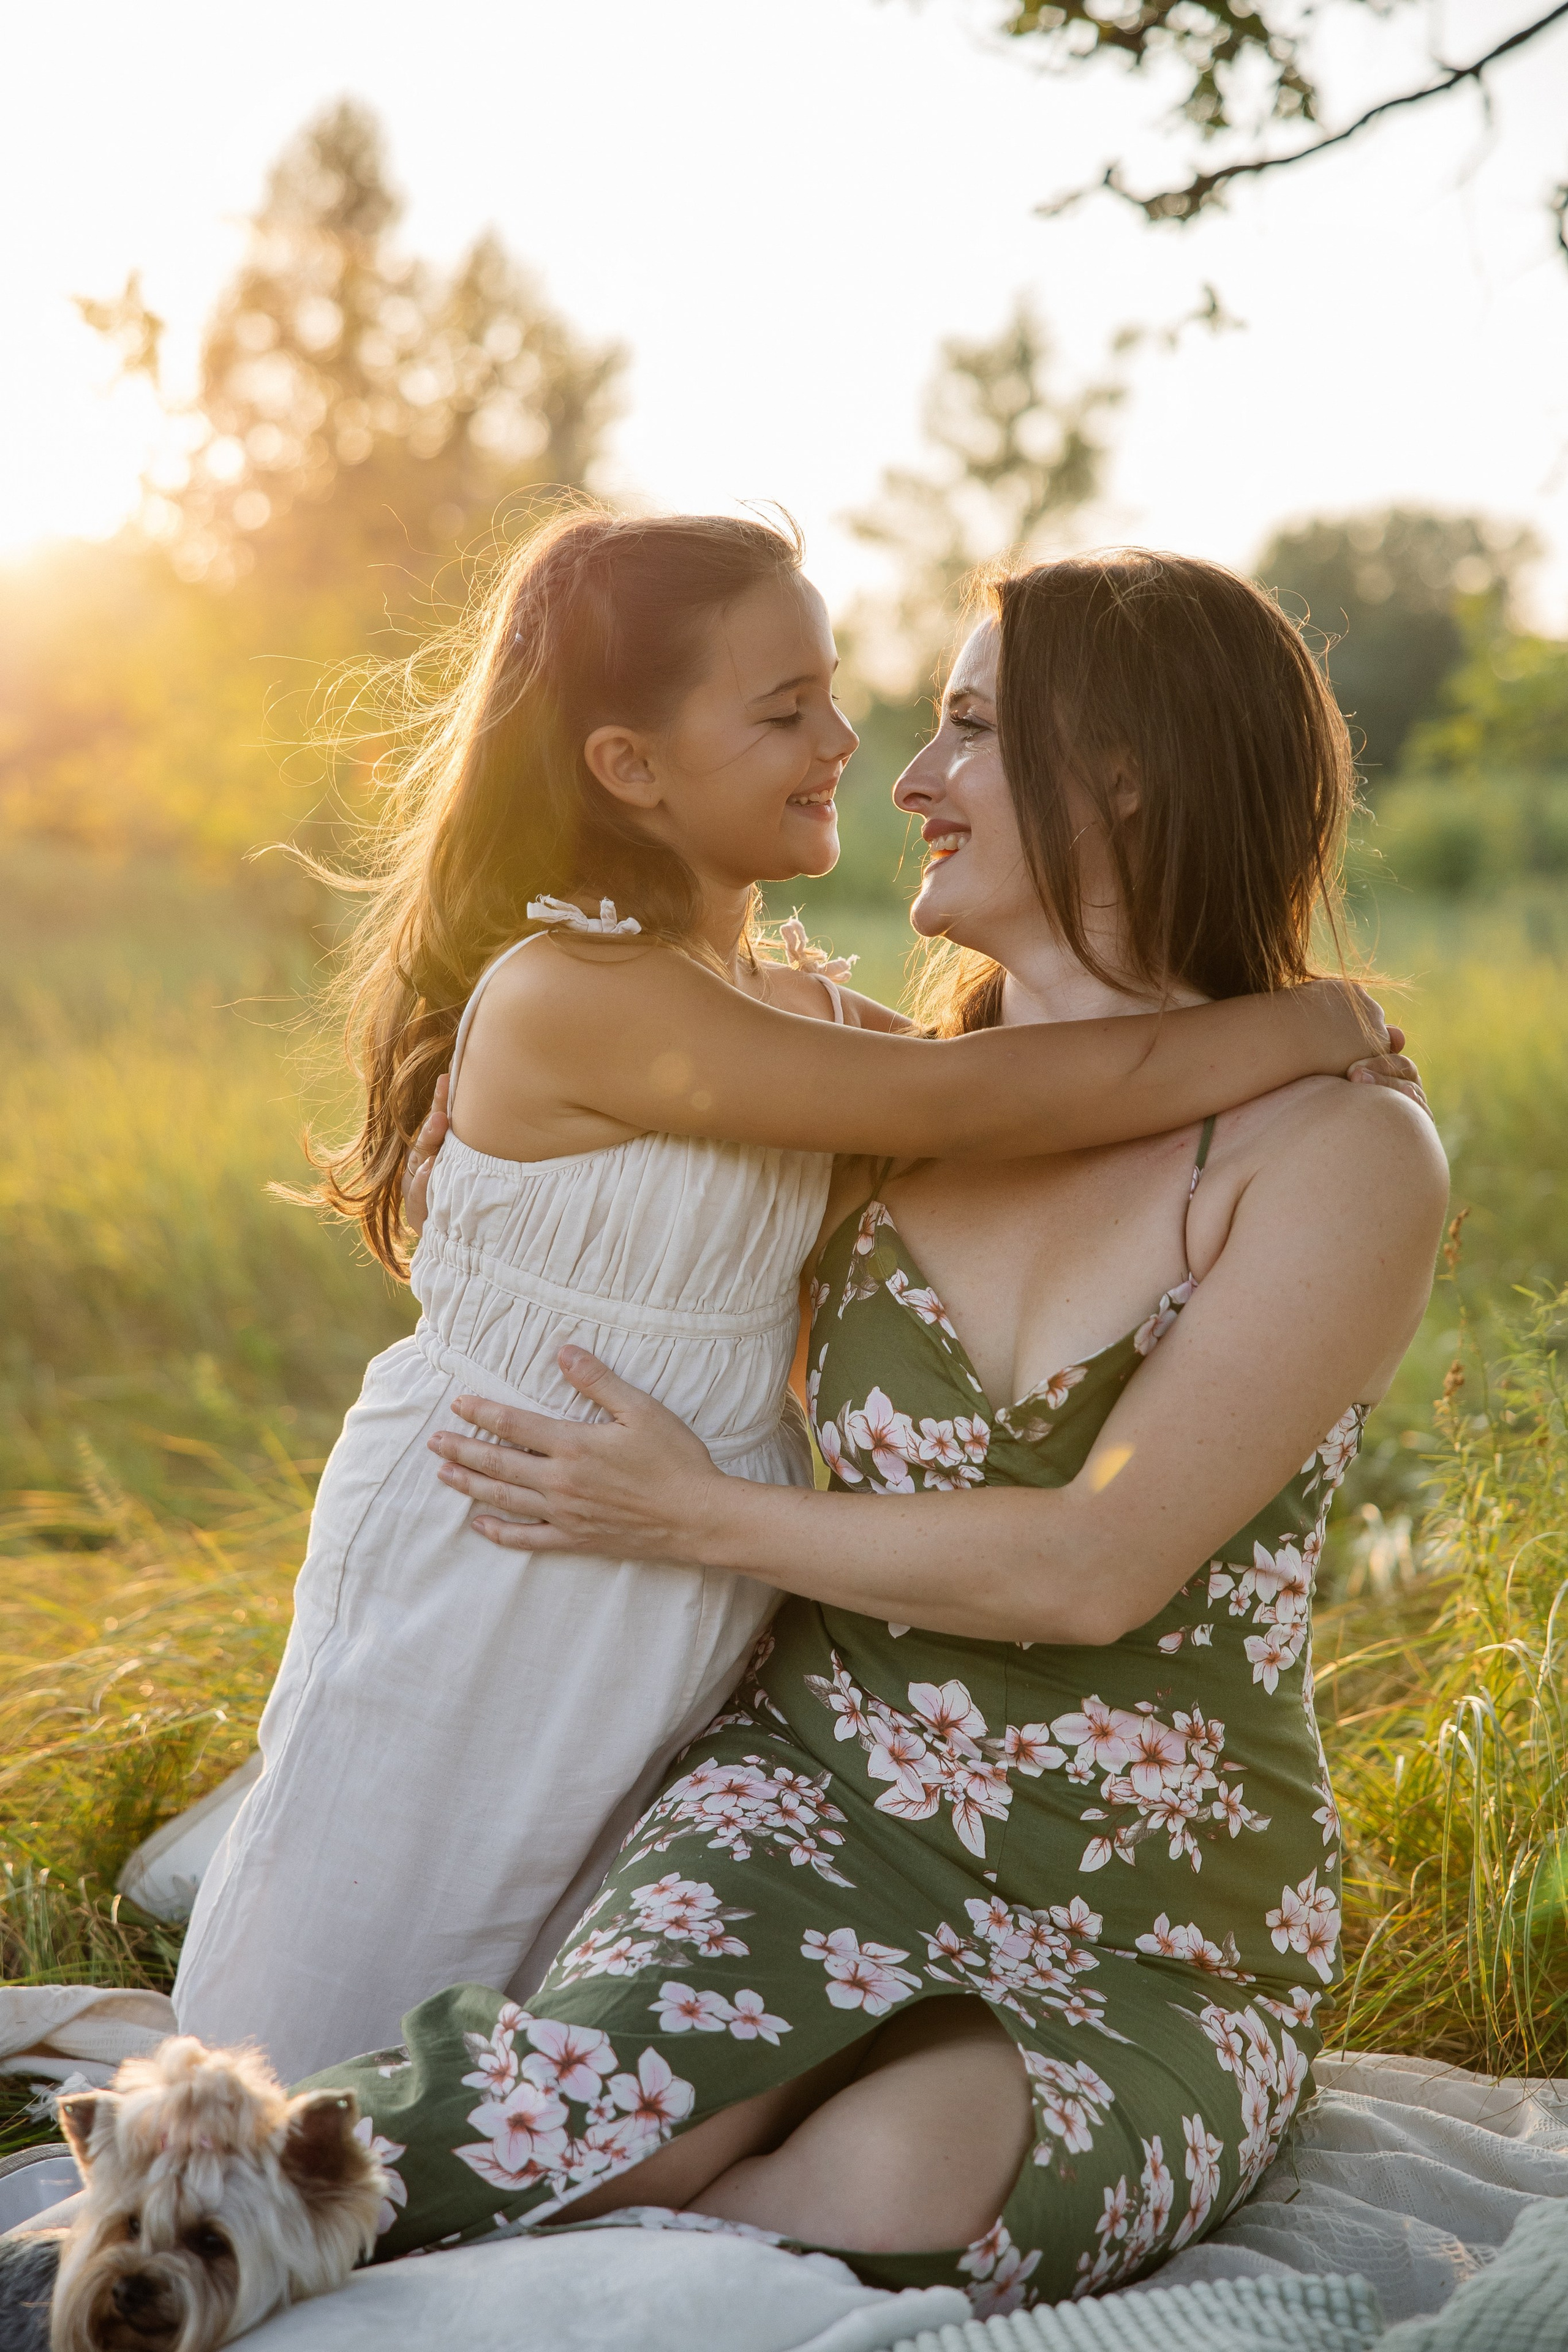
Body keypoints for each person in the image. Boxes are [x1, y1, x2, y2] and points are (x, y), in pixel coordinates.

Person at [304, 551, 1447, 2310]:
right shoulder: (875, 1101)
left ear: (1127, 775)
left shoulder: (1340, 1150)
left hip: (1156, 1918)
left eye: (969, 727)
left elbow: (1096, 1566)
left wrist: (693, 1514)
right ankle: (148, 2239)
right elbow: (592, 1214)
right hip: (816, 1803)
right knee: (561, 2144)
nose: (906, 777)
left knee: (878, 2203)